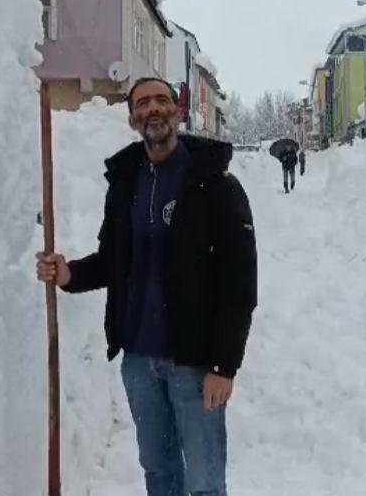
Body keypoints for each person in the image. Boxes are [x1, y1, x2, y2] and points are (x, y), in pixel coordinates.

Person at [36, 78, 258, 496]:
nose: (152, 109)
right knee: (159, 473)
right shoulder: (126, 184)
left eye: (161, 100)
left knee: (205, 480)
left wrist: (223, 366)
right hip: (139, 359)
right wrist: (69, 275)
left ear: (178, 111)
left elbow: (239, 286)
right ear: (133, 117)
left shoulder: (217, 187)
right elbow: (114, 260)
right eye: (143, 103)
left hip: (194, 362)